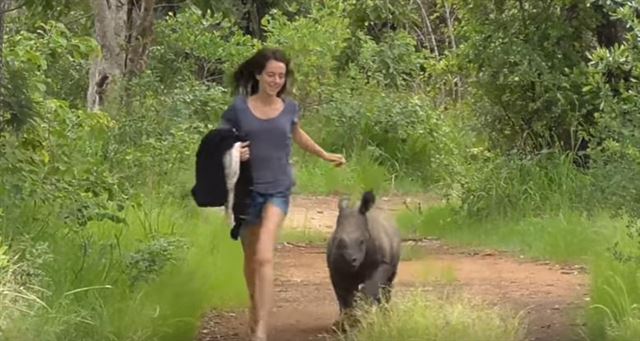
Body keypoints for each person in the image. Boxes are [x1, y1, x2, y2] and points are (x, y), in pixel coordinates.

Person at [219, 47, 346, 341]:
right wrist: (236, 151)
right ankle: (256, 306)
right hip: (247, 193)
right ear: (258, 75)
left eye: (281, 75)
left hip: (278, 190)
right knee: (251, 259)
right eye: (271, 75)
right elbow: (219, 141)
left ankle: (261, 331)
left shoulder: (289, 108)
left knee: (264, 255)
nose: (277, 80)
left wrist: (324, 154)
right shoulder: (238, 109)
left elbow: (297, 134)